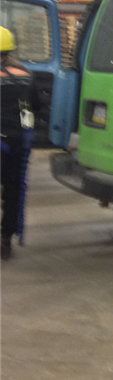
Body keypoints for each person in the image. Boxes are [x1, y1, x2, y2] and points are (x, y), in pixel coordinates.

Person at [0, 26, 40, 261]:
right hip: (16, 144)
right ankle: (6, 240)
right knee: (13, 191)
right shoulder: (26, 74)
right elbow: (31, 108)